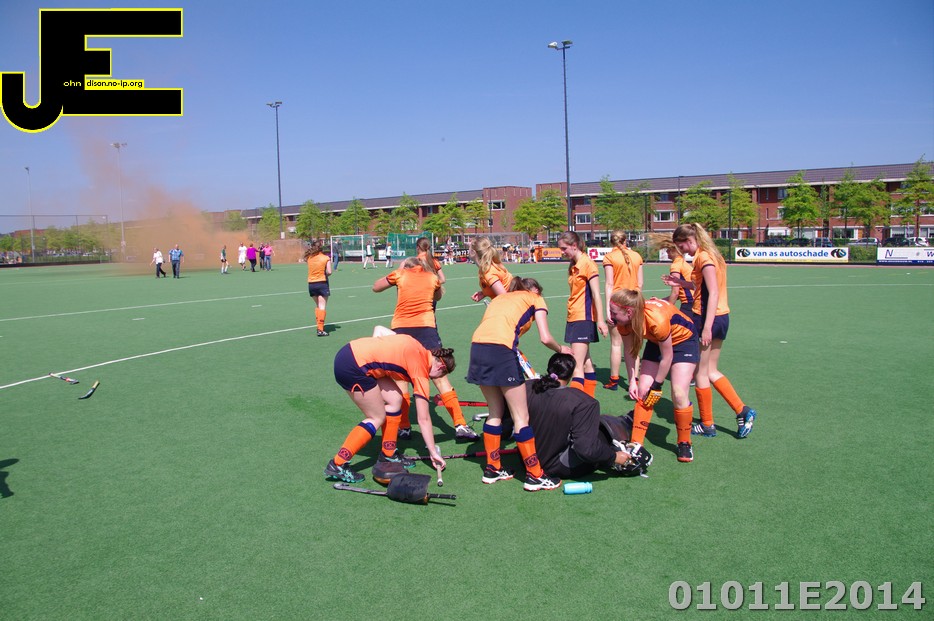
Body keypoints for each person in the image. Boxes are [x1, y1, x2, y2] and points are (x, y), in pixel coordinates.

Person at [466, 277, 571, 491]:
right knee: (521, 417)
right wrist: (562, 349)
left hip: (477, 347)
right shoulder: (535, 298)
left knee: (495, 412)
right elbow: (545, 337)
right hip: (500, 349)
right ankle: (535, 475)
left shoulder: (501, 298)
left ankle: (492, 469)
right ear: (535, 290)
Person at [661, 222, 757, 439]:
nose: (682, 251)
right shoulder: (713, 255)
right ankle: (741, 410)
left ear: (690, 240)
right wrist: (681, 283)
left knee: (701, 373)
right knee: (710, 370)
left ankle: (707, 423)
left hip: (707, 318)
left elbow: (712, 293)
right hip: (721, 317)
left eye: (682, 246)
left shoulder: (703, 257)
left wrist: (705, 327)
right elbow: (701, 287)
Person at [372, 257, 479, 442]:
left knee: (401, 378)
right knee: (440, 377)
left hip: (401, 329)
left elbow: (376, 287)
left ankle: (404, 426)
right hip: (426, 330)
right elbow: (437, 297)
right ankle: (460, 424)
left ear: (406, 267)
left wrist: (398, 275)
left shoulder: (400, 274)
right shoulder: (432, 277)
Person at [324, 333, 453, 483]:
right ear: (440, 366)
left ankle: (388, 453)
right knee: (376, 417)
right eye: (439, 375)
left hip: (350, 354)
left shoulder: (418, 346)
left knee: (395, 399)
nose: (434, 378)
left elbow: (380, 330)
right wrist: (433, 452)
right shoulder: (421, 369)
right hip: (353, 366)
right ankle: (338, 464)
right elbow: (423, 419)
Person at [608, 289, 699, 462]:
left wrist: (657, 385)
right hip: (657, 341)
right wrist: (633, 381)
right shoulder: (623, 323)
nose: (611, 317)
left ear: (629, 312)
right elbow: (629, 351)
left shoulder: (656, 320)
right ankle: (636, 443)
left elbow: (667, 357)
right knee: (643, 390)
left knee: (679, 393)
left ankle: (684, 442)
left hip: (684, 341)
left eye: (614, 313)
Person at [526, 353, 650, 478]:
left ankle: (625, 421)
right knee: (602, 430)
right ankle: (625, 423)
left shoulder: (527, 387)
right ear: (571, 373)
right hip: (559, 467)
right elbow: (586, 450)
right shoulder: (584, 402)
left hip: (529, 460)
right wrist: (615, 457)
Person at [556, 231, 609, 397]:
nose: (562, 252)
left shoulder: (588, 264)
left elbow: (596, 294)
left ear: (574, 245)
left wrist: (600, 320)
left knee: (576, 365)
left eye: (564, 248)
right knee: (586, 363)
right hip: (574, 316)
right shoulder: (574, 265)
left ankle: (576, 403)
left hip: (583, 318)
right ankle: (589, 400)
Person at [602, 231, 645, 391]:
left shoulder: (610, 257)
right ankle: (634, 380)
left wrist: (608, 309)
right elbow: (640, 284)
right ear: (626, 240)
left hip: (618, 303)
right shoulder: (637, 256)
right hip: (634, 303)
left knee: (616, 344)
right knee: (633, 345)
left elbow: (609, 284)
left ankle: (614, 380)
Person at [651, 234, 694, 317]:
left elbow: (675, 293)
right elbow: (678, 295)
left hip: (689, 305)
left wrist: (668, 310)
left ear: (675, 250)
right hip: (694, 303)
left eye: (669, 249)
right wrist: (660, 301)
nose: (667, 251)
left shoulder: (676, 265)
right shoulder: (683, 262)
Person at [469, 236, 513, 302]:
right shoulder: (485, 268)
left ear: (473, 252)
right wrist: (484, 293)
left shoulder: (489, 273)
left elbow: (504, 298)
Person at [304, 240, 332, 336]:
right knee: (322, 306)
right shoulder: (325, 258)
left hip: (311, 284)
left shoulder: (309, 258)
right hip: (322, 282)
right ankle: (320, 329)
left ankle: (319, 326)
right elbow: (329, 272)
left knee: (318, 306)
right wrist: (324, 272)